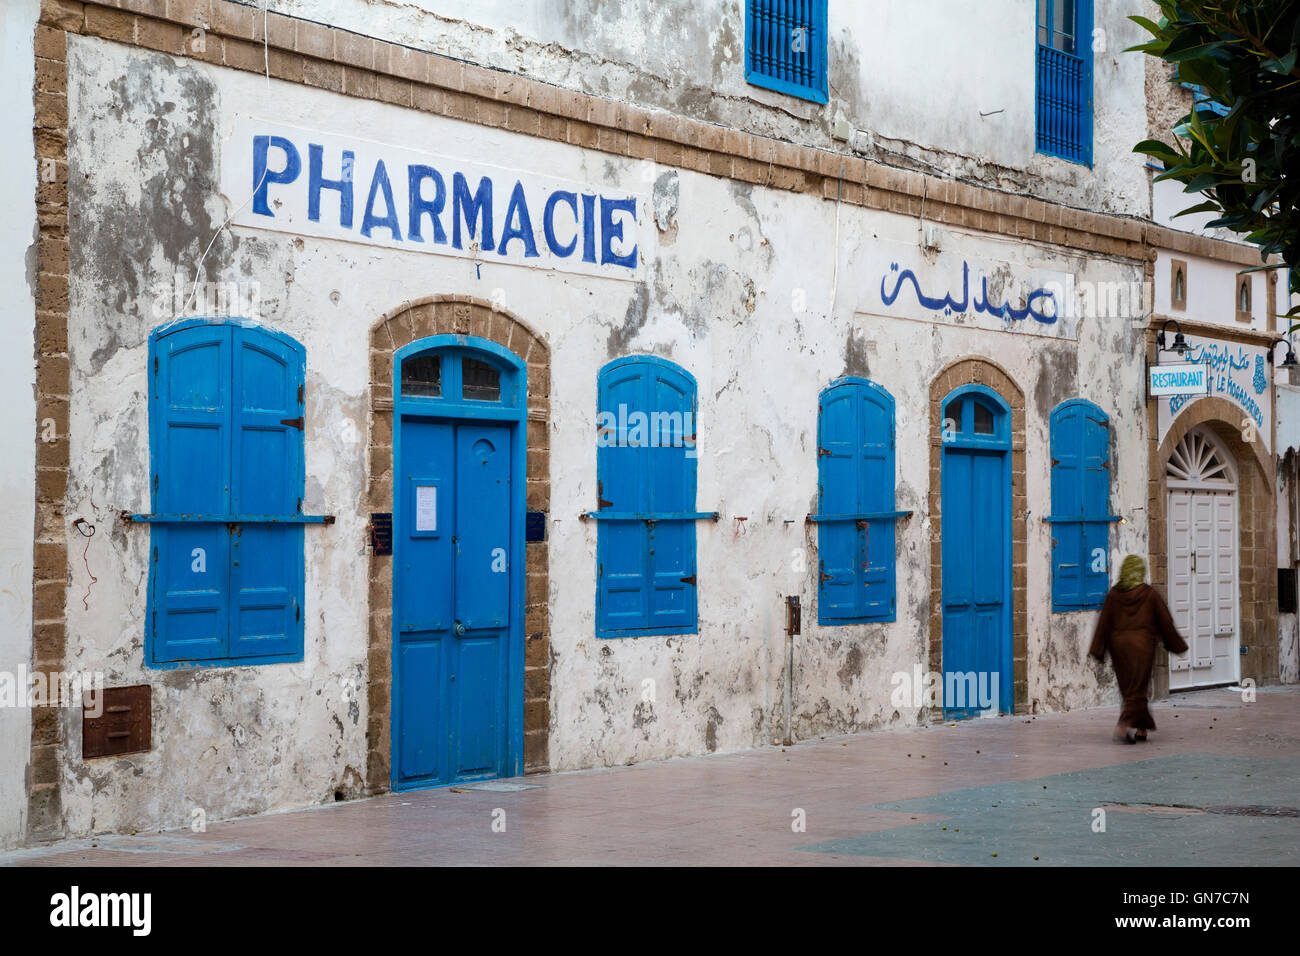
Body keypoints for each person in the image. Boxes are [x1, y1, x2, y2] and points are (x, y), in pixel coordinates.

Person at [1088, 554, 1188, 743]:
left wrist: (1098, 649)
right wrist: (1175, 644)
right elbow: (1165, 621)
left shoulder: (1113, 595)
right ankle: (1122, 727)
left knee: (1130, 688)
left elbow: (1104, 623)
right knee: (1138, 688)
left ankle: (1142, 729)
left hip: (1119, 648)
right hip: (1142, 648)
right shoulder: (1149, 594)